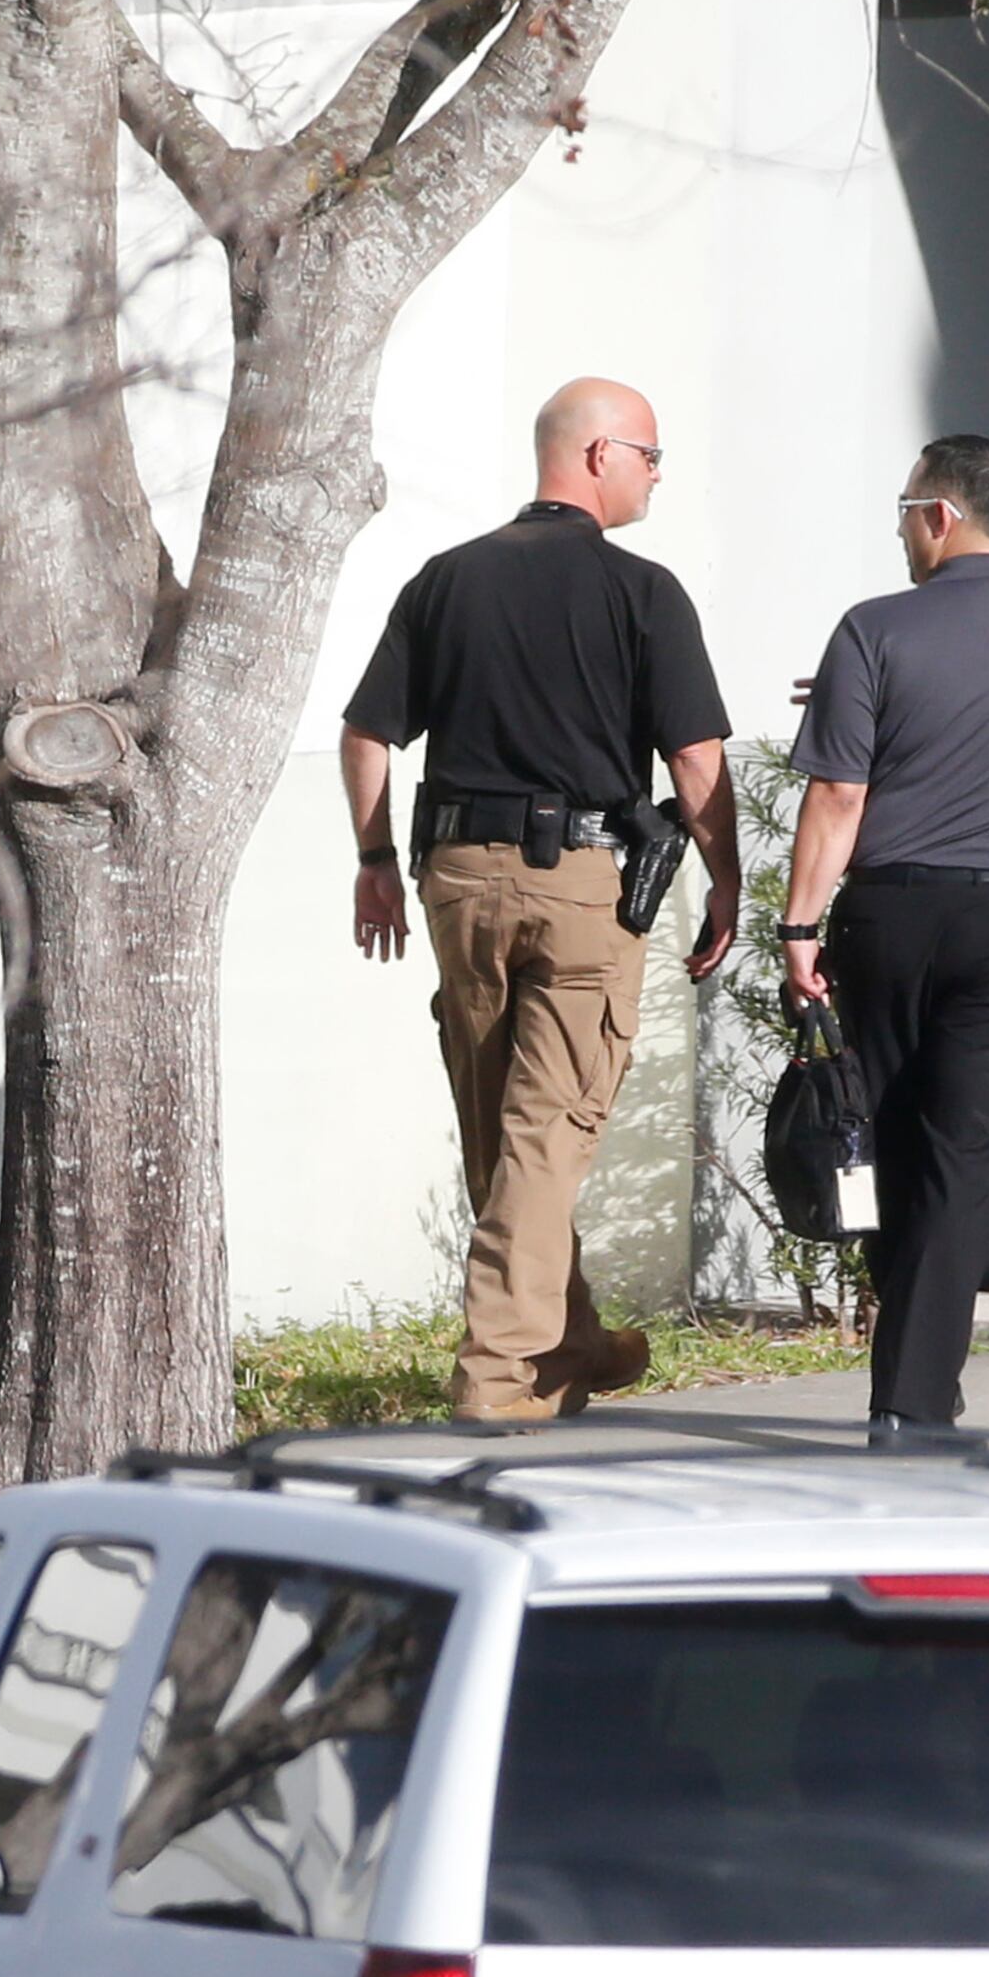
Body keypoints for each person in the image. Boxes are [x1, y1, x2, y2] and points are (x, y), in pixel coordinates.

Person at [340, 377, 740, 1424]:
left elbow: (368, 733)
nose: (657, 476)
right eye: (650, 455)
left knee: (501, 1130)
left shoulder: (447, 579)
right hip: (581, 889)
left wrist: (374, 858)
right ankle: (496, 1375)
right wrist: (728, 879)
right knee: (546, 1132)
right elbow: (695, 760)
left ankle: (572, 1344)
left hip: (457, 881)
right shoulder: (643, 591)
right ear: (600, 454)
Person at [780, 435, 989, 1438]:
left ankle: (913, 1392)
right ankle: (915, 1399)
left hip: (888, 916)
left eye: (903, 510)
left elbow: (840, 793)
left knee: (880, 1144)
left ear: (939, 515)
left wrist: (799, 924)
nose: (898, 531)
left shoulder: (874, 629)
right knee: (962, 1163)